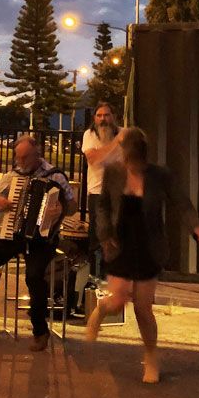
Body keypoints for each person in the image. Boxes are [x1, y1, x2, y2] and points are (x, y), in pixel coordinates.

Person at [85, 127, 199, 384]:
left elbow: (182, 203)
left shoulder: (160, 175)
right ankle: (100, 311)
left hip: (148, 244)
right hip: (120, 242)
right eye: (128, 160)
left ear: (143, 156)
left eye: (135, 161)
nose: (131, 166)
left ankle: (150, 358)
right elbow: (102, 205)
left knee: (142, 307)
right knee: (117, 301)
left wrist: (197, 228)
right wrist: (104, 234)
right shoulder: (114, 173)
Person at [0, 135, 76, 351]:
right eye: (18, 158)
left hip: (42, 238)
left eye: (25, 158)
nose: (21, 163)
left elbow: (73, 205)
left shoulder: (55, 175)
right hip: (13, 235)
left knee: (34, 276)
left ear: (38, 154)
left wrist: (61, 210)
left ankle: (40, 330)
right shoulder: (13, 174)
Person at [80, 102, 124, 275]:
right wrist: (115, 145)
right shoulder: (90, 135)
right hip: (98, 192)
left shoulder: (123, 133)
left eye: (106, 115)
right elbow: (94, 159)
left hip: (120, 193)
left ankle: (117, 278)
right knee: (97, 237)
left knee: (118, 236)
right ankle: (95, 278)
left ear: (113, 116)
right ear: (94, 118)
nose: (103, 119)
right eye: (99, 116)